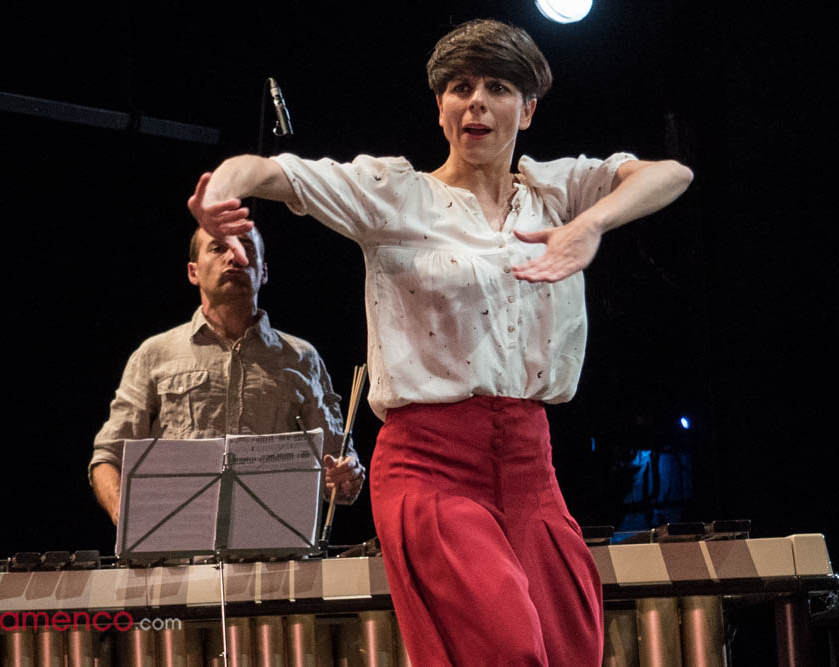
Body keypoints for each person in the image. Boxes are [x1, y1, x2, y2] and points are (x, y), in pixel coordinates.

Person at [187, 19, 692, 666]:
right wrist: (222, 190)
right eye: (461, 87)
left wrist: (590, 224)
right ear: (441, 107)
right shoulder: (396, 195)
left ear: (527, 110)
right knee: (508, 648)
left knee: (572, 646)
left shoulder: (556, 191)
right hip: (430, 467)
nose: (476, 101)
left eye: (497, 88)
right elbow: (268, 170)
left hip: (530, 466)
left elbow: (671, 174)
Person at [89, 225, 365, 526]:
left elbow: (337, 465)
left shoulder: (302, 358)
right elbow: (108, 457)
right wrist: (123, 512)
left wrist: (345, 476)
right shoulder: (154, 355)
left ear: (263, 272)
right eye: (218, 248)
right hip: (179, 545)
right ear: (193, 272)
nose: (234, 256)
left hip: (273, 545)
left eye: (245, 247)